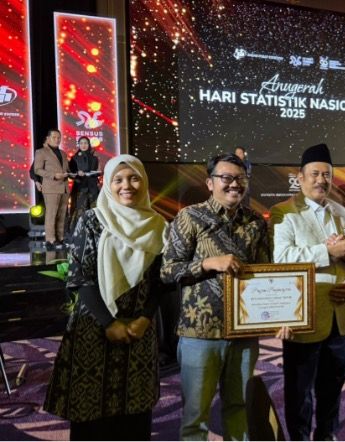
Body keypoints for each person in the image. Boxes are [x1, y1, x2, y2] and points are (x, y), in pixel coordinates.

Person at [44, 154, 168, 440]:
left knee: (135, 409)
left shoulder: (158, 226)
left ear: (144, 181)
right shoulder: (92, 220)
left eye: (134, 178)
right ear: (108, 185)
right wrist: (109, 323)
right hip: (93, 328)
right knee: (90, 409)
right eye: (118, 180)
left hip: (138, 330)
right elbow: (79, 276)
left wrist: (144, 319)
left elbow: (160, 282)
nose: (127, 186)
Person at [160, 153, 270, 440]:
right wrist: (208, 263)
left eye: (240, 178)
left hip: (244, 332)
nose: (234, 184)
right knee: (195, 415)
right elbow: (168, 271)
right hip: (200, 332)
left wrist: (280, 316)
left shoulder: (256, 222)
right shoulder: (190, 217)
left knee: (239, 408)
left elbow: (267, 274)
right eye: (226, 178)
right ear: (210, 183)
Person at [270, 143, 345, 441]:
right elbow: (281, 258)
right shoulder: (283, 212)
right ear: (300, 177)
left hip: (339, 318)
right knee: (299, 390)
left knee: (333, 384)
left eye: (327, 174)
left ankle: (326, 434)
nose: (321, 180)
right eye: (315, 174)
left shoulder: (340, 212)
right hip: (302, 317)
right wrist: (326, 251)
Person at [34, 129, 69, 250]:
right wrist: (53, 175)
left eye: (59, 137)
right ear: (48, 138)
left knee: (62, 215)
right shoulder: (41, 152)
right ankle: (50, 239)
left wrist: (72, 174)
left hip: (64, 187)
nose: (57, 139)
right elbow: (37, 169)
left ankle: (60, 238)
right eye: (54, 137)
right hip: (51, 187)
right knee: (51, 214)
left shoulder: (63, 153)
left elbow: (66, 169)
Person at [67, 136, 101, 234]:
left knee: (94, 209)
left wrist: (98, 173)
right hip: (80, 187)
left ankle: (94, 231)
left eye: (85, 143)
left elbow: (97, 171)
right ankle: (79, 232)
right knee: (80, 209)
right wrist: (77, 173)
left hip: (92, 186)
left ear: (89, 144)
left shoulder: (94, 158)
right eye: (81, 143)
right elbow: (71, 173)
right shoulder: (74, 158)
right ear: (79, 145)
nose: (83, 145)